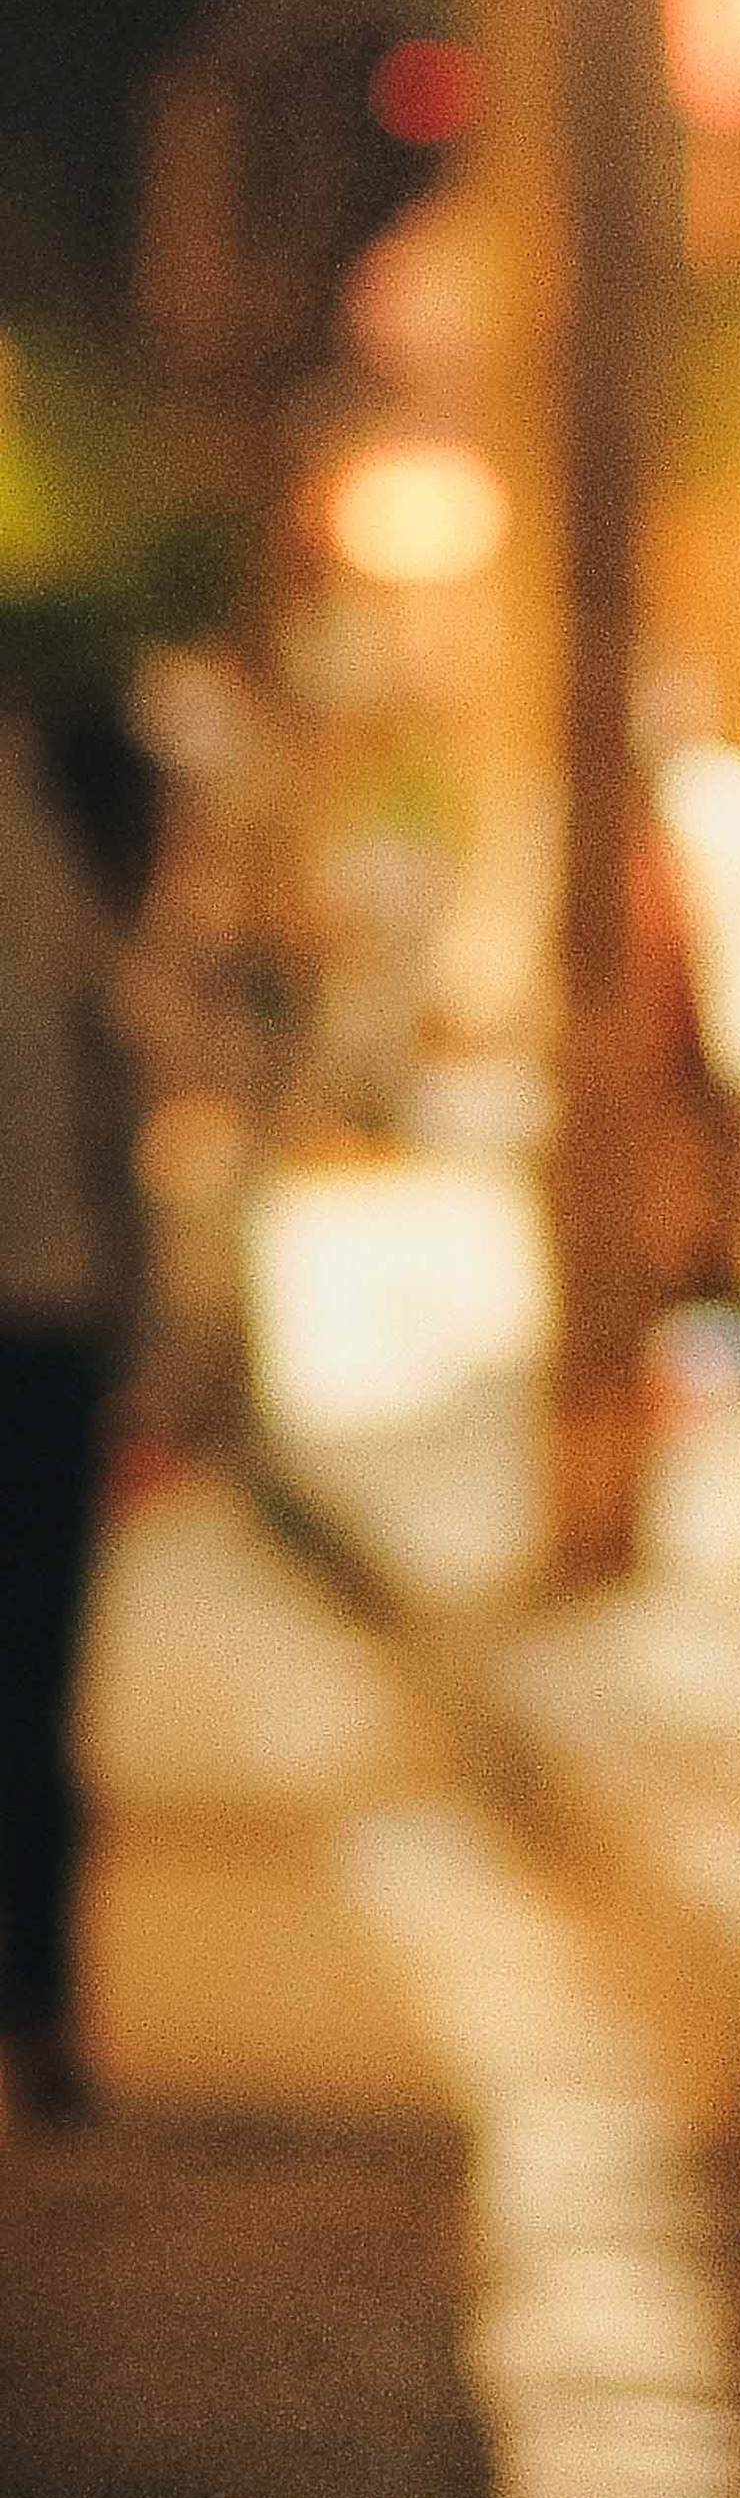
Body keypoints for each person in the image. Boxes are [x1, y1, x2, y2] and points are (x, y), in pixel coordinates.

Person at [0, 689, 156, 2128]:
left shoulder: (45, 854)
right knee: (33, 1687)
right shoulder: (53, 866)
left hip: (48, 1326)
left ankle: (41, 2000)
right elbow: (111, 1121)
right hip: (44, 1332)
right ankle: (39, 2006)